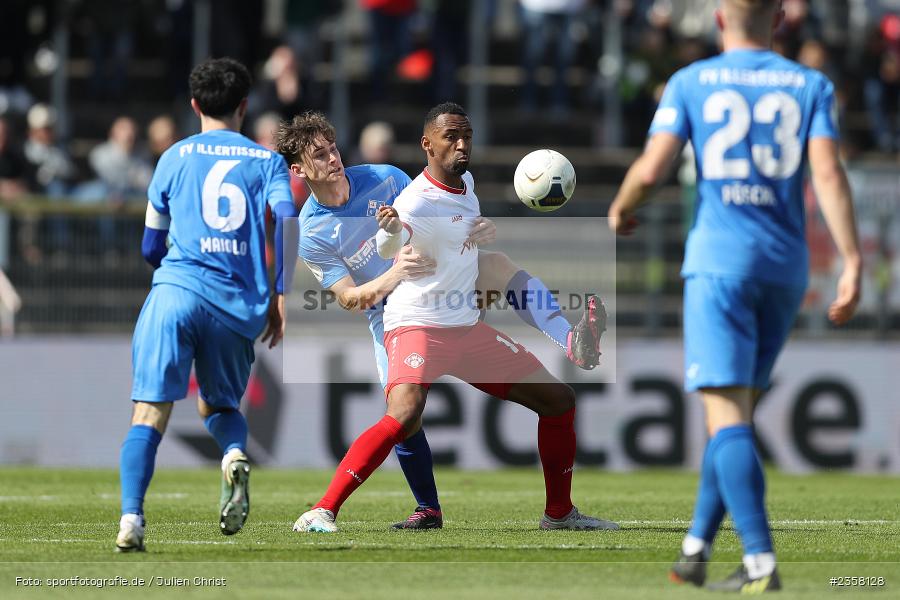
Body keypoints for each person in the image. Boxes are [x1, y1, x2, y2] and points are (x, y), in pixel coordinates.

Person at [608, 0, 862, 592]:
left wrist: (622, 208)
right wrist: (851, 259)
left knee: (725, 420)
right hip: (785, 268)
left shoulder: (691, 81)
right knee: (736, 417)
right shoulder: (809, 84)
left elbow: (651, 171)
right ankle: (695, 551)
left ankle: (759, 562)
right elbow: (828, 174)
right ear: (779, 18)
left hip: (720, 265)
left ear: (721, 18)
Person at [291, 102, 617, 534]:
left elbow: (436, 209)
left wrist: (470, 230)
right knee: (405, 415)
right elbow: (352, 296)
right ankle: (352, 508)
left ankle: (559, 510)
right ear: (299, 170)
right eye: (320, 155)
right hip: (399, 316)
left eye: (333, 149)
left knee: (554, 392)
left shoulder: (385, 178)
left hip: (450, 307)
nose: (333, 159)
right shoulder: (313, 231)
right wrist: (395, 269)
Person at [115, 57, 298, 552]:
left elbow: (150, 248)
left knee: (149, 413)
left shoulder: (172, 157)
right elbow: (287, 220)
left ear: (195, 105)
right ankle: (235, 452)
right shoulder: (267, 161)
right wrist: (280, 292)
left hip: (176, 292)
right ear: (245, 105)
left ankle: (131, 518)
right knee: (218, 404)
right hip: (237, 303)